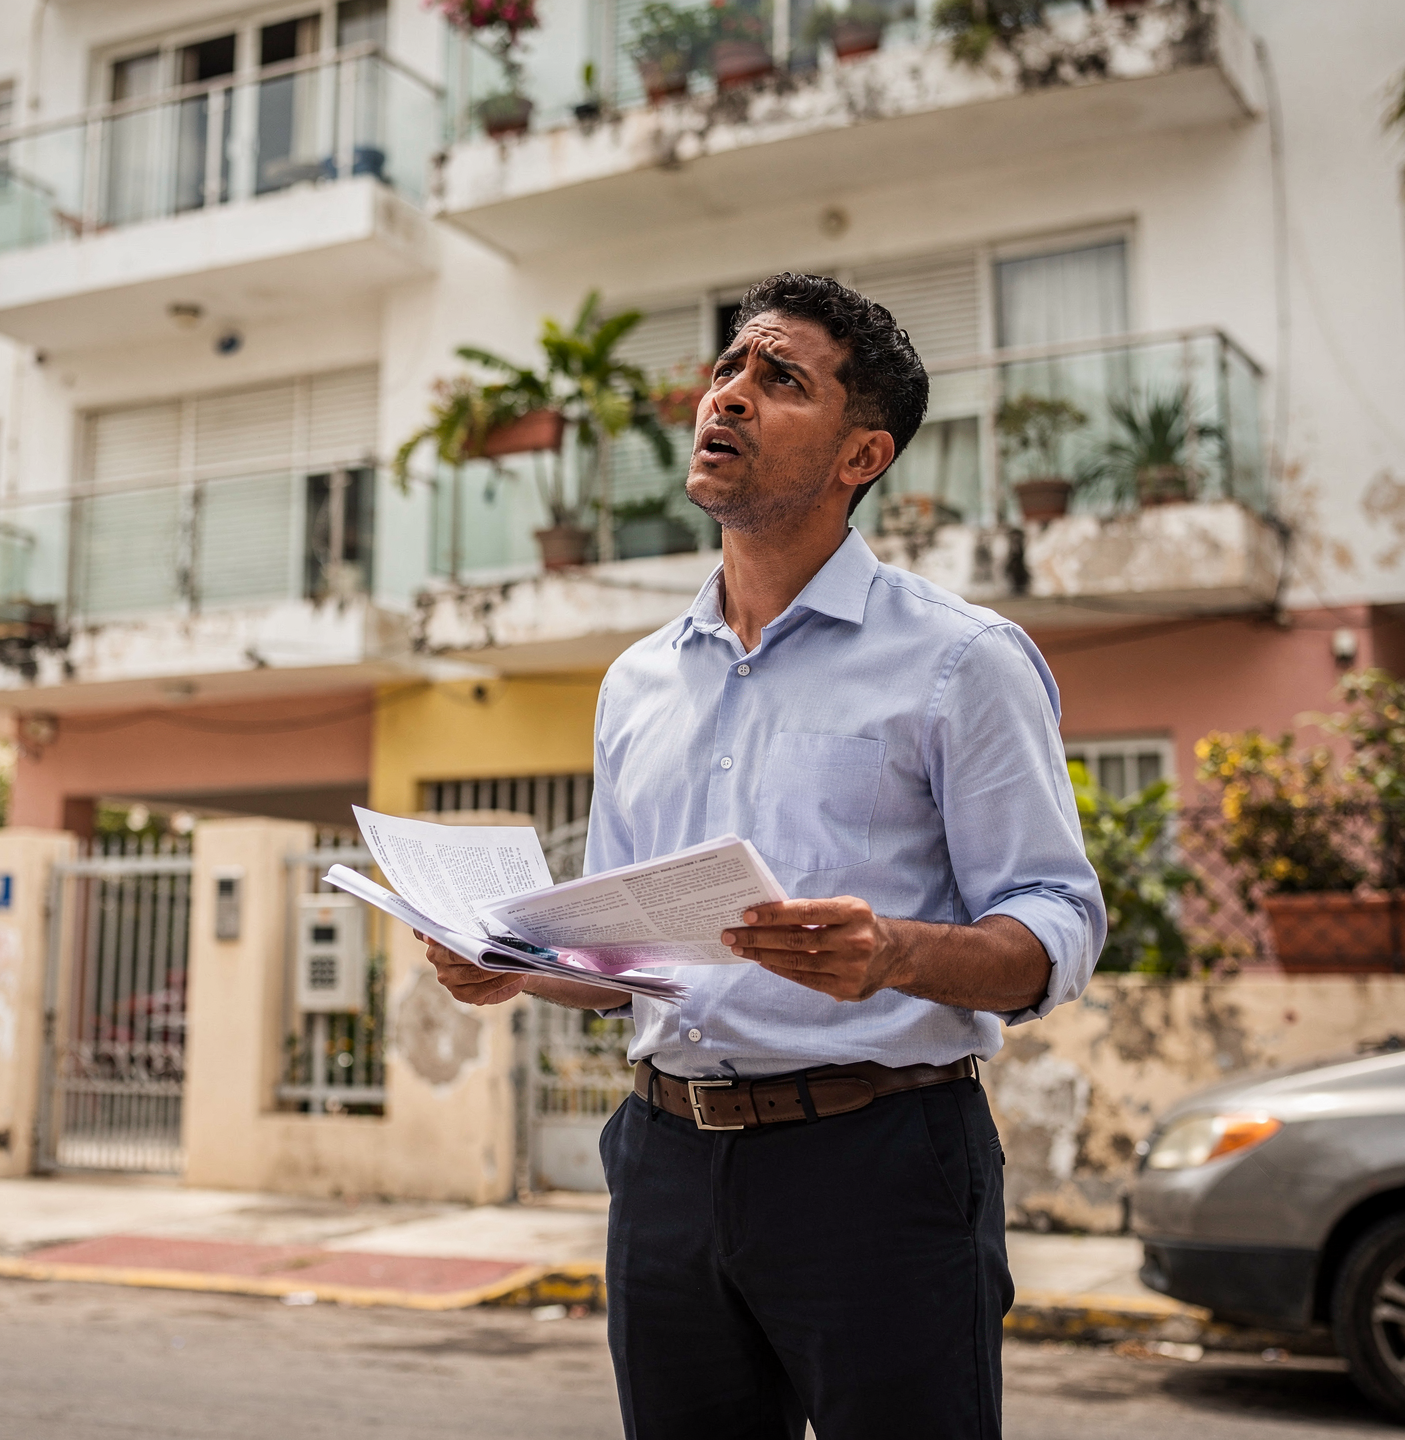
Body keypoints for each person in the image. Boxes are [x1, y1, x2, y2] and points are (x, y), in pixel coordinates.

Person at [420, 272, 1104, 1439]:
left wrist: (895, 954)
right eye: (727, 370)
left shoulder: (962, 661)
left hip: (879, 1163)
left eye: (779, 379)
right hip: (663, 1166)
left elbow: (1058, 924)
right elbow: (628, 958)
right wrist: (517, 965)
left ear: (861, 455)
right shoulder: (638, 681)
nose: (726, 397)